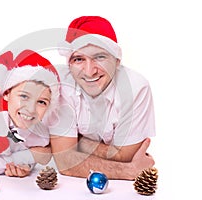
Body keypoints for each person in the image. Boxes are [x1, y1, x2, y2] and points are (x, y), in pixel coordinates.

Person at [49, 16, 156, 180]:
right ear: (69, 64)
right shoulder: (59, 82)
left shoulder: (136, 88)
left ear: (117, 60)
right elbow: (65, 162)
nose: (89, 71)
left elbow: (126, 156)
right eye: (79, 59)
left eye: (100, 57)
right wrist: (127, 171)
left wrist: (76, 143)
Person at [0, 49, 60, 177]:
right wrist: (29, 156)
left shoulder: (40, 131)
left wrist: (25, 164)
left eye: (41, 102)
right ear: (7, 93)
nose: (31, 109)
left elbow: (40, 151)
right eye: (24, 96)